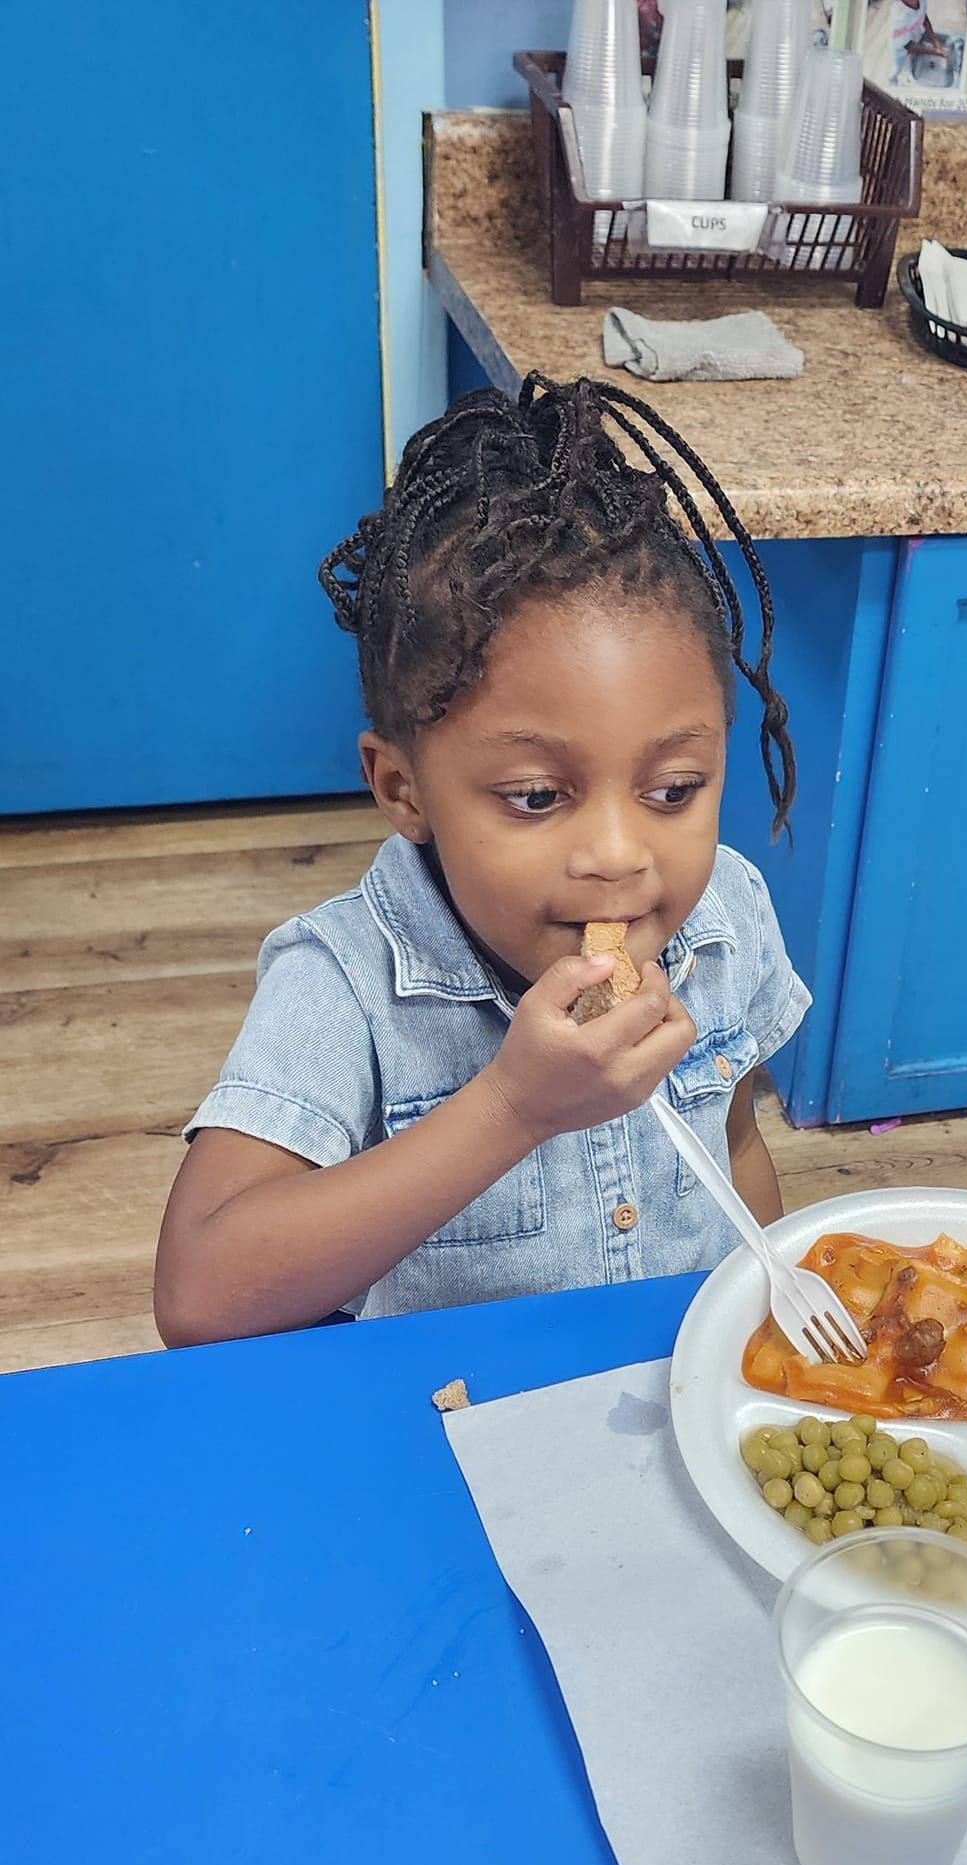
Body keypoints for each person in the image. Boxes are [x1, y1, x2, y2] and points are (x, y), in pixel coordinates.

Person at [154, 377, 807, 1344]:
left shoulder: (730, 915)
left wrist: (778, 1315)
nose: (621, 858)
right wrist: (513, 1107)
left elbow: (739, 1138)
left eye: (673, 791)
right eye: (538, 797)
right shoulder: (344, 984)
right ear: (403, 789)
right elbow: (199, 1295)